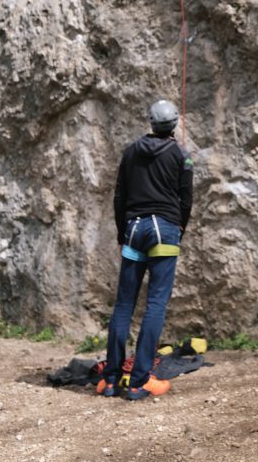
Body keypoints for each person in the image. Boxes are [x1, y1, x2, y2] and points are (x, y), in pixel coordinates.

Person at [97, 99, 193, 400]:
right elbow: (185, 198)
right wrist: (181, 228)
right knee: (155, 304)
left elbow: (119, 196)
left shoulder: (130, 152)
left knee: (124, 304)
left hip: (134, 229)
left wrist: (120, 233)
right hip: (164, 230)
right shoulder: (180, 154)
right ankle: (139, 381)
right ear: (174, 124)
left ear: (150, 122)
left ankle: (110, 381)